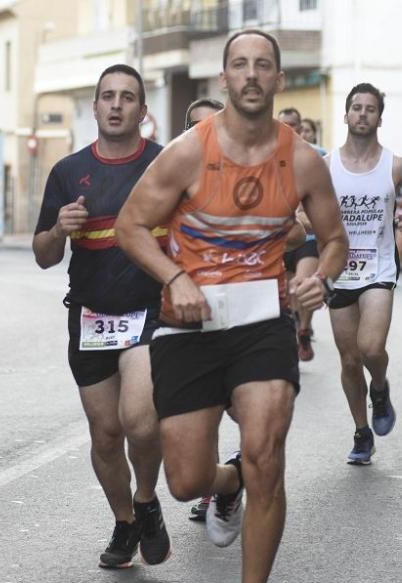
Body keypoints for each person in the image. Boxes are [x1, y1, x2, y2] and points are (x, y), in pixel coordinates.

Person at [115, 30, 348, 583]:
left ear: (278, 80)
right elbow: (131, 227)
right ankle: (225, 486)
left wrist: (315, 277)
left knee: (266, 450)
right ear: (223, 79)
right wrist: (175, 276)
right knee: (185, 481)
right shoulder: (190, 153)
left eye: (262, 66)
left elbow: (333, 241)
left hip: (261, 325)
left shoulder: (301, 160)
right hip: (188, 328)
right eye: (239, 65)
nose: (250, 75)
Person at [32, 64, 171, 570]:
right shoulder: (68, 172)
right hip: (90, 316)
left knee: (139, 420)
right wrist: (59, 230)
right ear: (94, 107)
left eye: (127, 97)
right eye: (107, 96)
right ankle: (125, 520)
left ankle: (147, 498)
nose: (116, 105)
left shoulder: (164, 165)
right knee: (106, 435)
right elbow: (43, 254)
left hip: (150, 313)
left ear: (142, 110)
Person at [327, 82, 402, 465]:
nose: (361, 114)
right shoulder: (326, 166)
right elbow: (300, 204)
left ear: (378, 118)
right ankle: (361, 432)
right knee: (349, 360)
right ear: (345, 115)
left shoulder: (395, 165)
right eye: (355, 108)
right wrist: (304, 216)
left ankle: (381, 388)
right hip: (340, 271)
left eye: (369, 109)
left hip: (378, 268)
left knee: (371, 348)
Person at [183, 97, 225, 525]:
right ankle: (217, 489)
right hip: (194, 312)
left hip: (244, 310)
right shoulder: (173, 179)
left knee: (250, 413)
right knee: (206, 410)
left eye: (211, 126)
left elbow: (294, 233)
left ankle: (242, 469)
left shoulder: (252, 171)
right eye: (196, 127)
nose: (204, 134)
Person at [277, 107, 324, 362]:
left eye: (294, 124)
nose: (290, 129)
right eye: (283, 124)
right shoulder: (268, 156)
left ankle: (303, 330)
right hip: (282, 240)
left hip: (308, 239)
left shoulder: (318, 158)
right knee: (287, 293)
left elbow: (328, 206)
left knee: (302, 286)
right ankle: (296, 325)